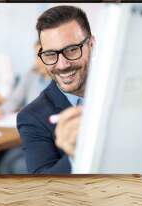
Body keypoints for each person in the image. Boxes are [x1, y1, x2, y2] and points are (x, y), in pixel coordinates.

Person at [17, 5, 95, 174]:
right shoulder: (32, 117)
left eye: (72, 50)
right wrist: (77, 155)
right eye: (51, 54)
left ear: (91, 44)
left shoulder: (123, 88)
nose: (62, 65)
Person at [0, 41, 50, 120]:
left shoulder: (61, 82)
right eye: (37, 56)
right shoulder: (31, 74)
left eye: (44, 56)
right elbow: (15, 99)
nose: (38, 61)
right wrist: (1, 110)